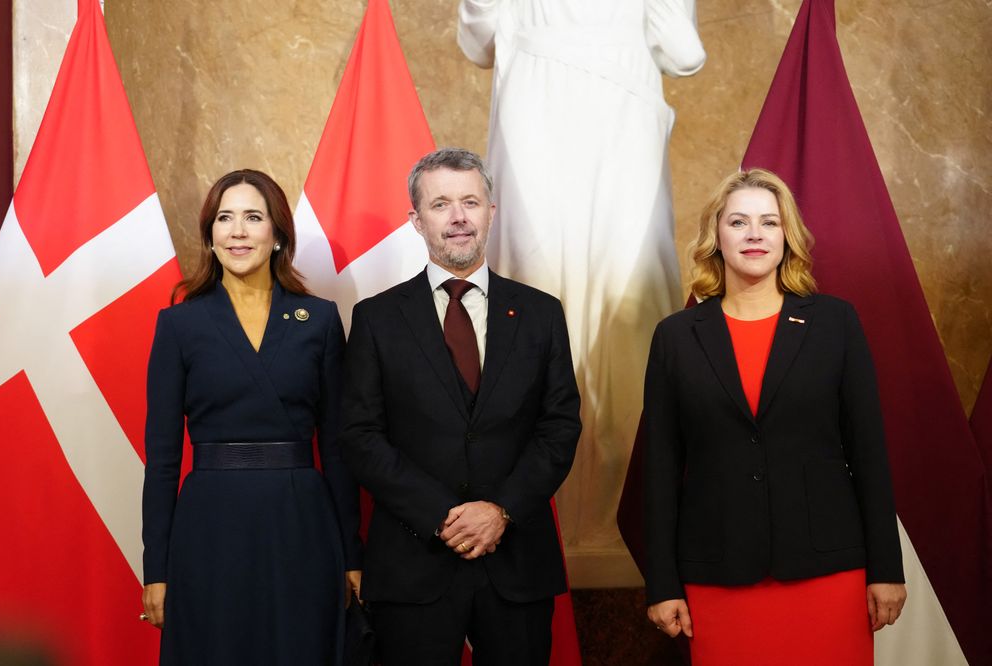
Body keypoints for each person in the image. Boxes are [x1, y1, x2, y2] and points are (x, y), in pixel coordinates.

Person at [458, 0, 705, 563]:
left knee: (629, 308)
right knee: (535, 296)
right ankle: (532, 503)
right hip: (536, 128)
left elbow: (685, 55)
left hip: (620, 130)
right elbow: (477, 42)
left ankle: (629, 509)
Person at [642, 169, 907, 665]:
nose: (755, 234)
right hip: (717, 576)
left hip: (828, 572)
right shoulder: (676, 337)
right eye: (738, 221)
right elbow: (659, 470)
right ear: (716, 237)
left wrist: (886, 569)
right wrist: (662, 584)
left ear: (788, 237)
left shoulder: (836, 323)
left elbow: (869, 452)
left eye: (769, 222)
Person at [339, 148, 581, 666]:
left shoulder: (541, 314)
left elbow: (559, 427)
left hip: (515, 560)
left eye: (471, 201)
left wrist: (501, 510)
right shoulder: (377, 319)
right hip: (413, 563)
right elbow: (360, 435)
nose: (458, 217)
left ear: (492, 212)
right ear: (416, 220)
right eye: (441, 204)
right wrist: (442, 517)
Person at [140, 170, 362, 665]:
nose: (237, 231)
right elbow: (161, 458)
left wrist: (352, 554)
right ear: (210, 234)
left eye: (253, 217)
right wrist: (157, 568)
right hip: (209, 525)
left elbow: (338, 448)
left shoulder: (320, 319)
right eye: (224, 218)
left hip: (301, 525)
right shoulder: (178, 324)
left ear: (278, 234)